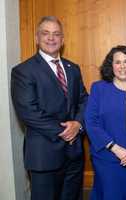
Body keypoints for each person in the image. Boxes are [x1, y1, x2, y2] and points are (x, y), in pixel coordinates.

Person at [11, 16, 88, 200]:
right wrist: (67, 131)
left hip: (74, 154)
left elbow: (85, 100)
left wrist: (77, 123)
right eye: (45, 33)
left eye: (56, 34)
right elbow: (29, 112)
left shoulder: (73, 68)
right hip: (44, 155)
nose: (51, 38)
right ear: (37, 38)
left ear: (62, 40)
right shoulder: (23, 71)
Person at [85, 45, 126, 200]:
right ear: (111, 65)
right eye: (117, 62)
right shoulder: (99, 88)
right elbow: (91, 122)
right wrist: (115, 149)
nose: (122, 66)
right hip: (107, 158)